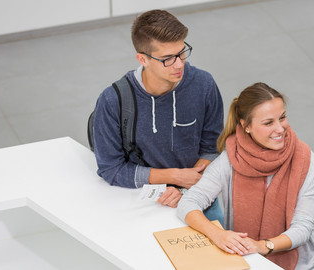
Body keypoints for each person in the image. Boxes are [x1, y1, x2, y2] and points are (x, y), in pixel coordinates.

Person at [92, 9, 224, 222]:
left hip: (198, 195)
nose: (179, 64)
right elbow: (111, 169)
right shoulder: (112, 101)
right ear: (142, 59)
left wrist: (182, 189)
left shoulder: (204, 85)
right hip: (142, 202)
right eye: (167, 59)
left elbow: (213, 150)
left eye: (182, 52)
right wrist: (173, 177)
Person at [177, 82, 314, 270]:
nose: (280, 129)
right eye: (268, 123)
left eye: (282, 118)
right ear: (246, 126)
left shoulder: (306, 160)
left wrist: (262, 246)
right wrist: (218, 234)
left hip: (300, 265)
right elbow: (189, 202)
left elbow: (303, 228)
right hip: (245, 261)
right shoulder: (230, 159)